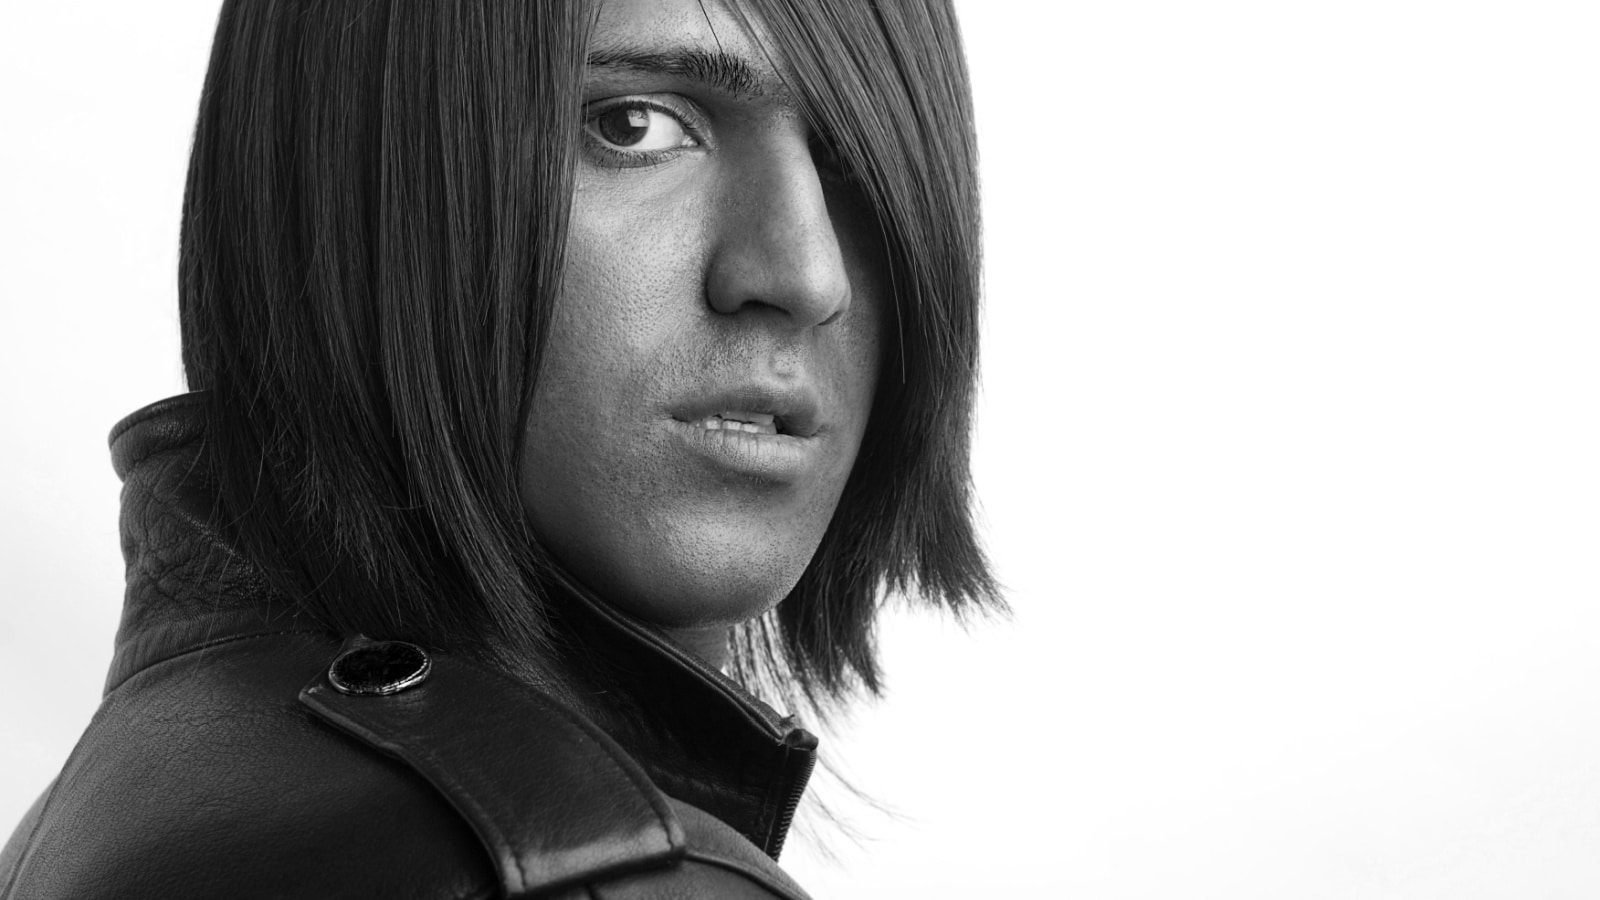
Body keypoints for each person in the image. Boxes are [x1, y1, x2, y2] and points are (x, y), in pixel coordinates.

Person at [0, 0, 999, 895]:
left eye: (854, 155)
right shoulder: (583, 874)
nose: (804, 270)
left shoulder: (99, 820)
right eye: (632, 125)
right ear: (358, 175)